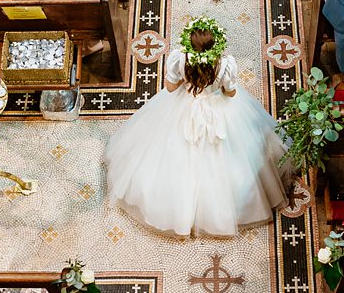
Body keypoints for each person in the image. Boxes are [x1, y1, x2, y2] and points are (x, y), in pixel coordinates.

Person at [105, 18, 289, 236]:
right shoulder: (225, 64)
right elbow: (231, 92)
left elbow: (171, 88)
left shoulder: (179, 60)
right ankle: (221, 212)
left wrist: (186, 80)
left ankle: (181, 211)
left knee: (170, 155)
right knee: (233, 157)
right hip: (218, 109)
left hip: (183, 107)